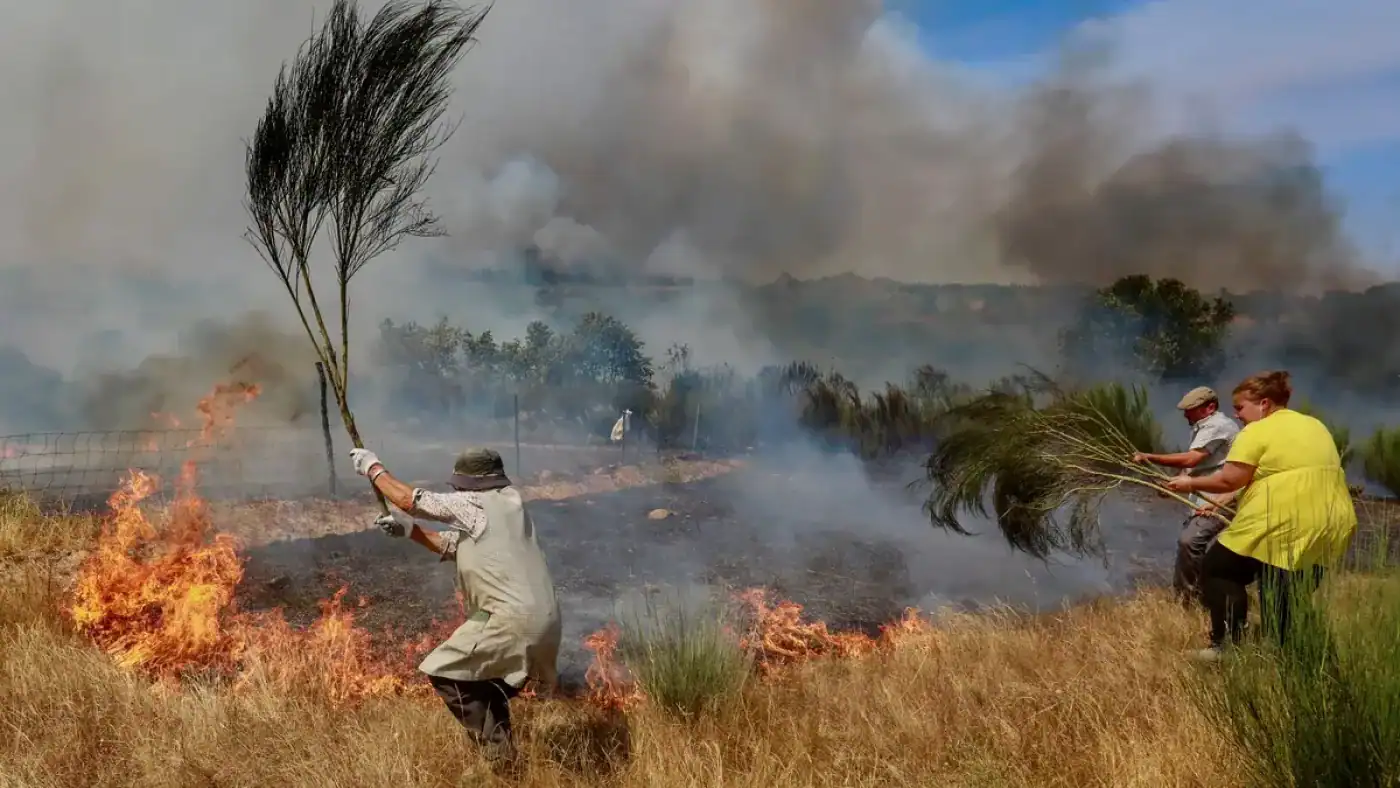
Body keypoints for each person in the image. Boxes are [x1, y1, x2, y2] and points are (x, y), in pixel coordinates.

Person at [348, 446, 562, 759]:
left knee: (444, 671)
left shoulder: (475, 502)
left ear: (467, 485)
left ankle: (501, 757)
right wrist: (409, 531)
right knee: (488, 684)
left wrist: (373, 468)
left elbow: (412, 501)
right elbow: (452, 545)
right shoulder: (509, 505)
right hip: (546, 621)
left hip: (510, 620)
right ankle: (501, 760)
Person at [1165, 371, 1357, 661]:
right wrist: (1220, 502)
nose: (1237, 415)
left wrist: (1189, 483)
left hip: (1283, 516)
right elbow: (1278, 472)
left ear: (1264, 404)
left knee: (1218, 568)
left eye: (1241, 407)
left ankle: (1225, 648)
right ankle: (1303, 661)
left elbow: (1231, 478)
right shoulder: (1313, 424)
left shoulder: (1257, 431)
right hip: (1331, 517)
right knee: (1283, 591)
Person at [1131, 386, 1242, 603]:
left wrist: (1149, 457)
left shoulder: (1218, 425)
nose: (1185, 414)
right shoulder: (1203, 427)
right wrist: (1171, 485)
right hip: (1205, 498)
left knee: (1189, 541)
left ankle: (1189, 599)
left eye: (1191, 409)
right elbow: (1195, 466)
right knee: (1193, 545)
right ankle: (1196, 597)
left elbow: (1192, 459)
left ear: (1209, 407)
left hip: (1220, 499)